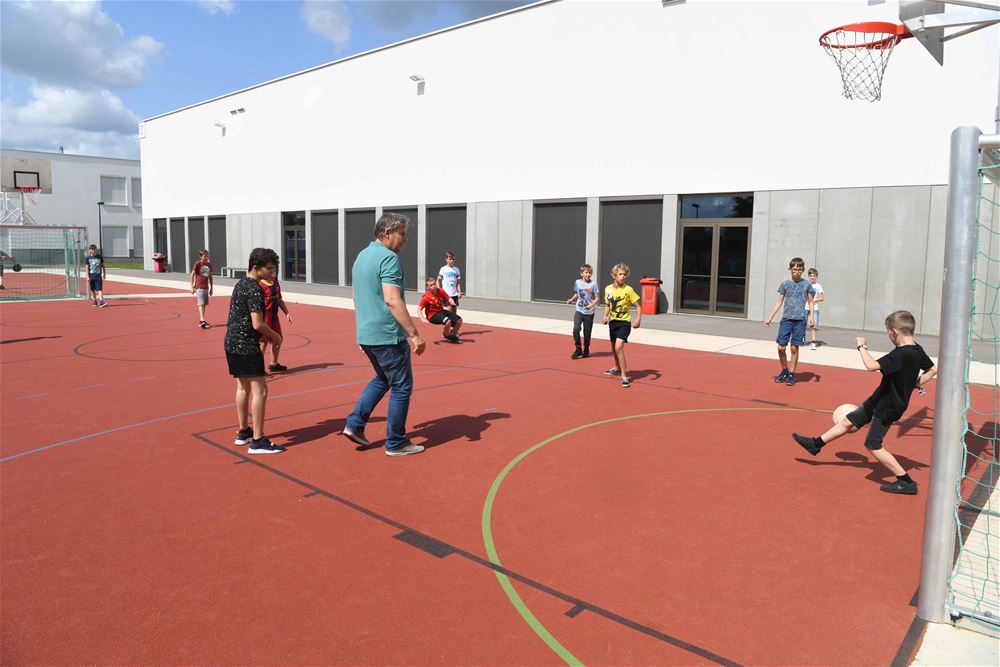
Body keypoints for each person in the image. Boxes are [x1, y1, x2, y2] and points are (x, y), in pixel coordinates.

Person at [792, 310, 936, 495]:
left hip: (888, 405)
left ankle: (906, 481)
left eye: (888, 333)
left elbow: (871, 366)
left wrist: (861, 346)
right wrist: (913, 384)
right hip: (881, 398)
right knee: (849, 421)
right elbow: (932, 370)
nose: (889, 336)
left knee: (873, 444)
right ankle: (815, 444)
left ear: (894, 332)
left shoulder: (900, 354)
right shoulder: (917, 349)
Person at [342, 212, 427, 456]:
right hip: (387, 335)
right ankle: (396, 442)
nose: (405, 239)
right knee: (401, 386)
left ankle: (355, 423)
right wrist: (414, 334)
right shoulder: (389, 258)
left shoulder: (362, 256)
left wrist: (362, 331)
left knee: (382, 378)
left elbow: (357, 297)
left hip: (368, 333)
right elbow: (392, 299)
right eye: (402, 233)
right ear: (387, 233)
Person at [226, 248, 284, 455]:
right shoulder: (255, 288)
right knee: (261, 391)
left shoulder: (240, 284)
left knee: (242, 388)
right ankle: (258, 441)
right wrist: (275, 336)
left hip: (231, 342)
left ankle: (243, 432)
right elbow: (257, 323)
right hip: (247, 344)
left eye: (274, 269)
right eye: (269, 268)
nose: (272, 273)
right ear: (256, 267)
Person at [764, 257, 815, 386]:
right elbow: (779, 301)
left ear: (803, 270)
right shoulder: (785, 284)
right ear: (790, 269)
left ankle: (791, 374)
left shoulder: (807, 285)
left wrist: (811, 317)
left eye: (799, 269)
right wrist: (770, 316)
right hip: (787, 319)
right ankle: (785, 370)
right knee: (781, 347)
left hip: (800, 320)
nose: (797, 271)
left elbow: (811, 301)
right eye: (794, 269)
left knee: (794, 348)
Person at [602, 263, 641, 388]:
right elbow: (608, 304)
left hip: (624, 323)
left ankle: (624, 376)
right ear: (614, 275)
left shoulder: (628, 290)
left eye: (624, 274)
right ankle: (617, 368)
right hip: (613, 322)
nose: (622, 276)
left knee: (619, 347)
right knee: (614, 348)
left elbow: (638, 306)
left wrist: (638, 318)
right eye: (620, 274)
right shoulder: (608, 289)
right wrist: (605, 316)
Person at [259, 274, 292, 371]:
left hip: (274, 317)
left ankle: (274, 364)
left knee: (278, 339)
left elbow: (279, 299)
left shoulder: (275, 283)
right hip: (264, 317)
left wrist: (287, 313)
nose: (273, 272)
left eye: (275, 270)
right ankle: (257, 367)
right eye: (271, 270)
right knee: (263, 342)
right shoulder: (260, 284)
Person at [566, 263, 599, 359]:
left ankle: (586, 349)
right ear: (581, 273)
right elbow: (577, 293)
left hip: (589, 312)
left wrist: (591, 305)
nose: (588, 274)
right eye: (586, 272)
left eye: (590, 273)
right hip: (579, 310)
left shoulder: (593, 284)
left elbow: (597, 298)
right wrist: (571, 299)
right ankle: (578, 349)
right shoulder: (577, 282)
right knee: (576, 329)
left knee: (587, 333)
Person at [418, 276, 462, 343]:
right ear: (427, 287)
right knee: (448, 321)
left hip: (441, 311)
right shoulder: (426, 297)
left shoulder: (440, 291)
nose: (434, 286)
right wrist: (422, 318)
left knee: (459, 320)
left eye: (434, 284)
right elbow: (419, 309)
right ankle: (446, 335)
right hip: (432, 315)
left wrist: (452, 302)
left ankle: (452, 335)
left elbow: (448, 298)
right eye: (431, 285)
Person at [190, 249, 213, 328]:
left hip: (206, 287)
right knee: (201, 303)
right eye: (204, 256)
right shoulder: (198, 264)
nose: (206, 258)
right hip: (199, 286)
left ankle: (201, 320)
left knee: (204, 304)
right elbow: (192, 274)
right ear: (200, 257)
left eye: (207, 256)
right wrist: (191, 287)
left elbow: (210, 276)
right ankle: (202, 320)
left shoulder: (209, 265)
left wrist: (211, 288)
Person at [807, 267, 825, 350]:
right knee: (801, 324)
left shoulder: (818, 286)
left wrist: (815, 301)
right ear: (808, 276)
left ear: (816, 277)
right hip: (805, 307)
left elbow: (822, 297)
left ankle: (813, 342)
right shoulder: (806, 284)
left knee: (813, 326)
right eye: (811, 276)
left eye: (814, 276)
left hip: (815, 308)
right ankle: (800, 339)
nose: (812, 277)